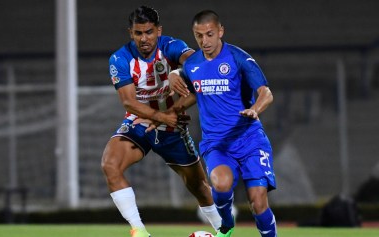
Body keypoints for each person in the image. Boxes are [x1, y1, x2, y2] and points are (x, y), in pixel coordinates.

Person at [101, 6, 221, 237]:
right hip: (140, 122)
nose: (144, 38)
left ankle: (223, 231)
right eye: (138, 33)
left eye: (149, 32)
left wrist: (178, 80)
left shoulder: (171, 47)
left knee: (199, 187)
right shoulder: (120, 58)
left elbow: (201, 72)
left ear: (159, 30)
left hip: (172, 126)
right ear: (131, 33)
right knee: (110, 165)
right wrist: (160, 116)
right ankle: (140, 231)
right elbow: (128, 102)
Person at [169, 10, 278, 237]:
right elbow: (194, 93)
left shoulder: (239, 58)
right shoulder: (193, 64)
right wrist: (169, 110)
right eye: (199, 36)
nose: (204, 41)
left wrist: (254, 109)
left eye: (209, 34)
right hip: (217, 143)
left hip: (250, 140)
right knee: (220, 183)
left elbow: (266, 93)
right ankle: (226, 226)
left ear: (220, 31)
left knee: (258, 203)